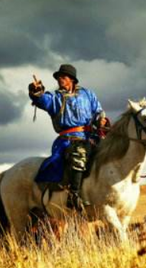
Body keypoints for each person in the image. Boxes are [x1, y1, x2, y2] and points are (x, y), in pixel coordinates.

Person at [28, 64, 108, 212]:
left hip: (91, 137)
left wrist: (101, 120)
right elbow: (42, 100)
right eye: (58, 77)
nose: (59, 79)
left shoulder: (88, 94)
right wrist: (37, 93)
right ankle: (74, 195)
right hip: (68, 139)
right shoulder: (55, 98)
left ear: (72, 79)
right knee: (80, 153)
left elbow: (98, 111)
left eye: (63, 77)